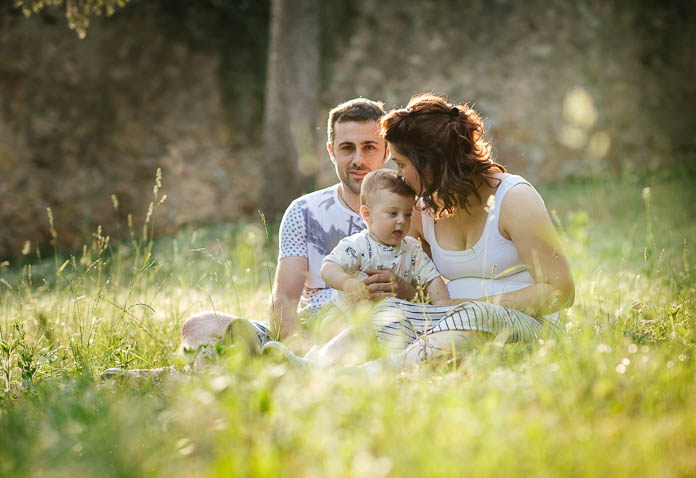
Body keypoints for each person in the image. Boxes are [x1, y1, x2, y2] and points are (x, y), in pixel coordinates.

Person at [179, 98, 419, 357]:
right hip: (304, 332)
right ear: (331, 151)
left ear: (386, 152)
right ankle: (264, 364)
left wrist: (402, 289)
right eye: (347, 148)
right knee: (199, 326)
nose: (358, 160)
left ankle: (243, 369)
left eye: (369, 147)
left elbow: (433, 296)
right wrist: (295, 349)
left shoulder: (411, 211)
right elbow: (285, 298)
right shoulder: (304, 210)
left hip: (373, 333)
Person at [371, 93, 575, 367]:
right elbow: (422, 287)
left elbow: (562, 291)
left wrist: (472, 305)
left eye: (401, 164)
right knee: (386, 312)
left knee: (477, 315)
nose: (398, 175)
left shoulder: (514, 198)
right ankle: (312, 364)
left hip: (525, 325)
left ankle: (368, 375)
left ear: (429, 162)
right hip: (449, 322)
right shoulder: (421, 209)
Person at [321, 168, 450, 307]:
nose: (402, 220)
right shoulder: (358, 245)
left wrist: (443, 308)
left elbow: (433, 280)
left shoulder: (412, 249)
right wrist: (346, 281)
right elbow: (328, 268)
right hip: (351, 317)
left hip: (395, 320)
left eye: (408, 214)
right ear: (367, 214)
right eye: (393, 213)